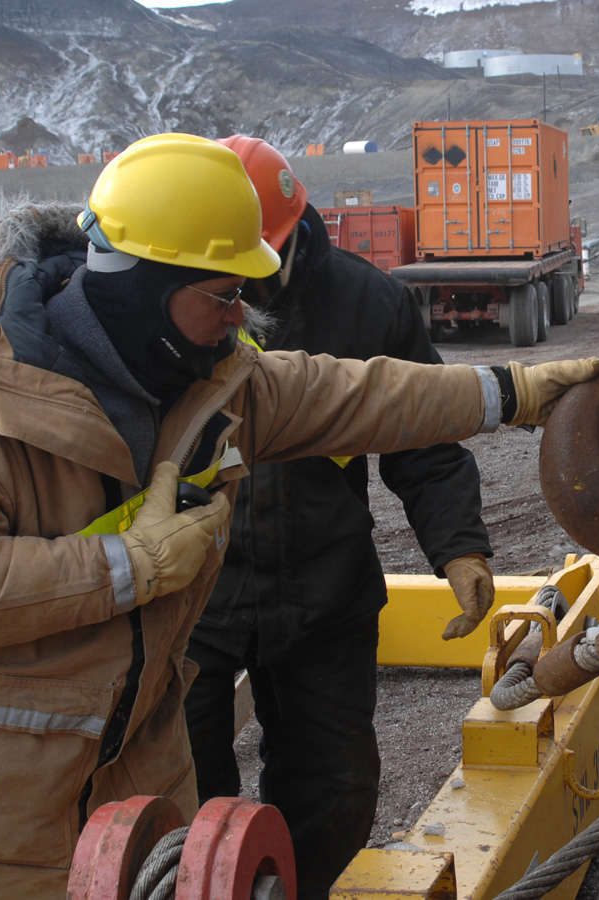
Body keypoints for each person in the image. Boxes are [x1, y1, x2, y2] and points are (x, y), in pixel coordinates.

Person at [0, 132, 599, 897]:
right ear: (148, 284)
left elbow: (360, 395)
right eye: (225, 294)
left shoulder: (207, 382)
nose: (243, 315)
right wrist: (130, 566)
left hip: (137, 795)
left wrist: (518, 394)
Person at [183, 135, 494, 897]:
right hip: (198, 595)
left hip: (324, 587)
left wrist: (459, 548)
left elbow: (423, 438)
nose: (246, 286)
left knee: (333, 788)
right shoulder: (180, 307)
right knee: (182, 788)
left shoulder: (367, 304)